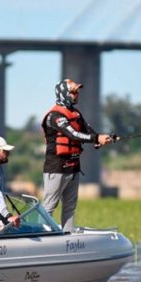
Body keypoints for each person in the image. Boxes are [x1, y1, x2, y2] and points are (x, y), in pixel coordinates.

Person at [41, 79, 113, 232]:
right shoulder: (54, 116)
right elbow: (73, 134)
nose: (76, 94)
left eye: (77, 91)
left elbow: (87, 130)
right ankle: (40, 236)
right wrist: (95, 138)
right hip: (56, 168)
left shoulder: (75, 113)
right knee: (49, 206)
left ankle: (68, 235)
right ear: (63, 94)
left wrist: (99, 139)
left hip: (73, 168)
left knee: (70, 206)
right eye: (73, 92)